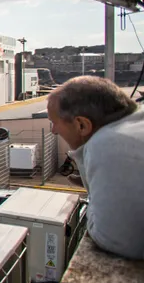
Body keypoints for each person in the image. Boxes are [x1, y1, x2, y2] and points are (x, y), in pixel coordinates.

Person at [47, 76, 144, 260]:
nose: (53, 130)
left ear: (81, 125)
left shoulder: (107, 144)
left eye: (55, 122)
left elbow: (113, 237)